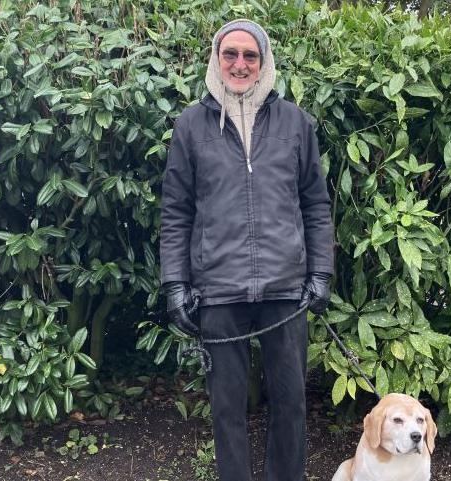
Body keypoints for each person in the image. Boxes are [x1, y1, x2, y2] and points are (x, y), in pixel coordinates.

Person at [160, 19, 334, 481]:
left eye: (250, 55)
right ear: (217, 58)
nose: (240, 64)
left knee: (291, 405)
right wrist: (175, 283)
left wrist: (320, 273)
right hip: (217, 289)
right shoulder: (191, 126)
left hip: (285, 289)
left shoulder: (296, 122)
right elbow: (176, 211)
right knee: (226, 411)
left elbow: (316, 203)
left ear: (264, 61)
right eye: (230, 54)